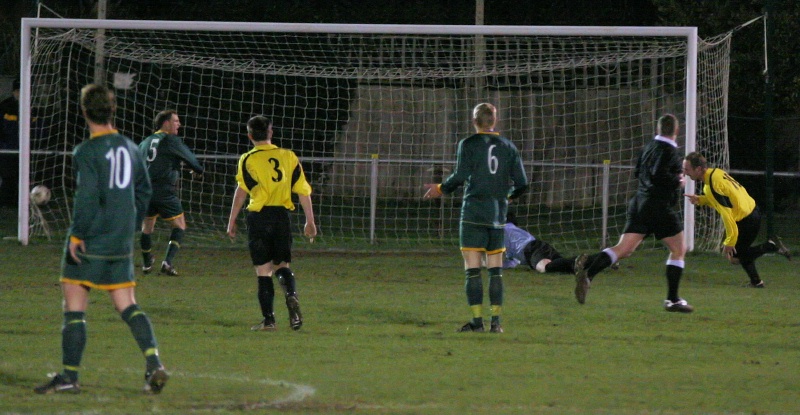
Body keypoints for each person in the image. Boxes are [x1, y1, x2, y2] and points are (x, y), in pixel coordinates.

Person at [34, 84, 168, 394]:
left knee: (74, 304)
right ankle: (153, 363)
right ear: (113, 110)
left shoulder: (87, 151)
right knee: (127, 304)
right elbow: (145, 191)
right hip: (120, 242)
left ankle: (69, 376)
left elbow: (88, 197)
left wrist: (77, 235)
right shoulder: (131, 147)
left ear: (84, 112)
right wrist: (130, 225)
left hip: (91, 239)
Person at [424, 103, 528, 333]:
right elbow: (523, 183)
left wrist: (440, 188)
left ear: (474, 121)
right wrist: (508, 198)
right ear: (494, 120)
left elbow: (460, 174)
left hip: (472, 214)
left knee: (472, 269)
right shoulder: (509, 146)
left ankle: (476, 321)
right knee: (495, 270)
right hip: (497, 215)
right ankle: (496, 323)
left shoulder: (467, 144)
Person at [574, 114, 693, 313]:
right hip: (658, 206)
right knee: (680, 249)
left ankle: (588, 272)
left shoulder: (648, 147)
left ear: (658, 129)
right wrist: (677, 181)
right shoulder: (670, 150)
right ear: (677, 131)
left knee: (624, 249)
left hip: (639, 202)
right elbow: (658, 174)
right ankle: (672, 300)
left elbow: (639, 172)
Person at [226, 115, 316, 332]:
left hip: (259, 217)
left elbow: (242, 191)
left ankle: (269, 321)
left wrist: (232, 220)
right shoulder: (289, 156)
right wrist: (310, 221)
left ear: (249, 136)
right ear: (271, 132)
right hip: (281, 216)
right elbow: (303, 191)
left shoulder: (248, 159)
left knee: (263, 270)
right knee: (282, 266)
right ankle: (291, 296)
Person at [682, 151, 791, 287]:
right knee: (741, 253)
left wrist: (730, 241)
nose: (685, 173)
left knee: (736, 256)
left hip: (747, 218)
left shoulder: (711, 186)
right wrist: (700, 200)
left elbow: (727, 215)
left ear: (698, 169)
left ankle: (770, 246)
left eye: (687, 169)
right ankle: (756, 282)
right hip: (751, 210)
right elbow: (724, 199)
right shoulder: (715, 173)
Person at [138, 110, 204, 276]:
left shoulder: (145, 142)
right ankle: (167, 262)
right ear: (165, 123)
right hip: (164, 190)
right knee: (180, 225)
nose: (179, 124)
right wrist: (197, 169)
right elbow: (191, 159)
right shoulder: (170, 140)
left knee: (147, 227)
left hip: (144, 190)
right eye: (176, 121)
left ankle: (146, 263)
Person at [503, 213, 588, 274]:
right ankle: (587, 263)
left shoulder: (503, 230)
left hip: (530, 249)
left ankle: (577, 262)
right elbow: (512, 262)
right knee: (562, 266)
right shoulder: (515, 233)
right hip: (540, 246)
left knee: (543, 267)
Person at [0, 79, 20, 207]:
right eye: (18, 91)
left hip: (23, 149)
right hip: (7, 148)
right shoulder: (5, 106)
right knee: (8, 176)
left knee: (21, 177)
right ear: (13, 92)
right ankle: (6, 202)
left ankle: (18, 202)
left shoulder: (33, 107)